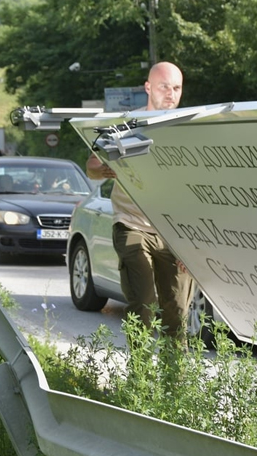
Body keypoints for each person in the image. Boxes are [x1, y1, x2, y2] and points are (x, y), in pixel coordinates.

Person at [86, 61, 194, 341]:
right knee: (143, 308)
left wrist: (192, 242)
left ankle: (175, 383)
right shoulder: (125, 125)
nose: (171, 93)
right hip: (132, 224)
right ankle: (140, 381)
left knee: (177, 312)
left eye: (177, 88)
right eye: (164, 86)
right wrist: (105, 168)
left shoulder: (190, 128)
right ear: (148, 87)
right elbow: (92, 167)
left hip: (174, 231)